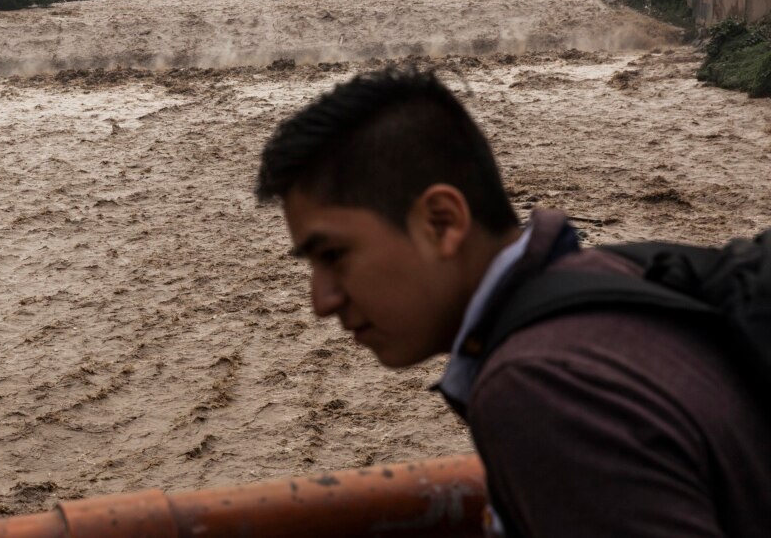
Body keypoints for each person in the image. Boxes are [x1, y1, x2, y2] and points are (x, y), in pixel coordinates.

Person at [255, 67, 770, 537]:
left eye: (334, 255)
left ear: (442, 222)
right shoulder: (615, 275)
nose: (322, 300)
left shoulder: (541, 387)